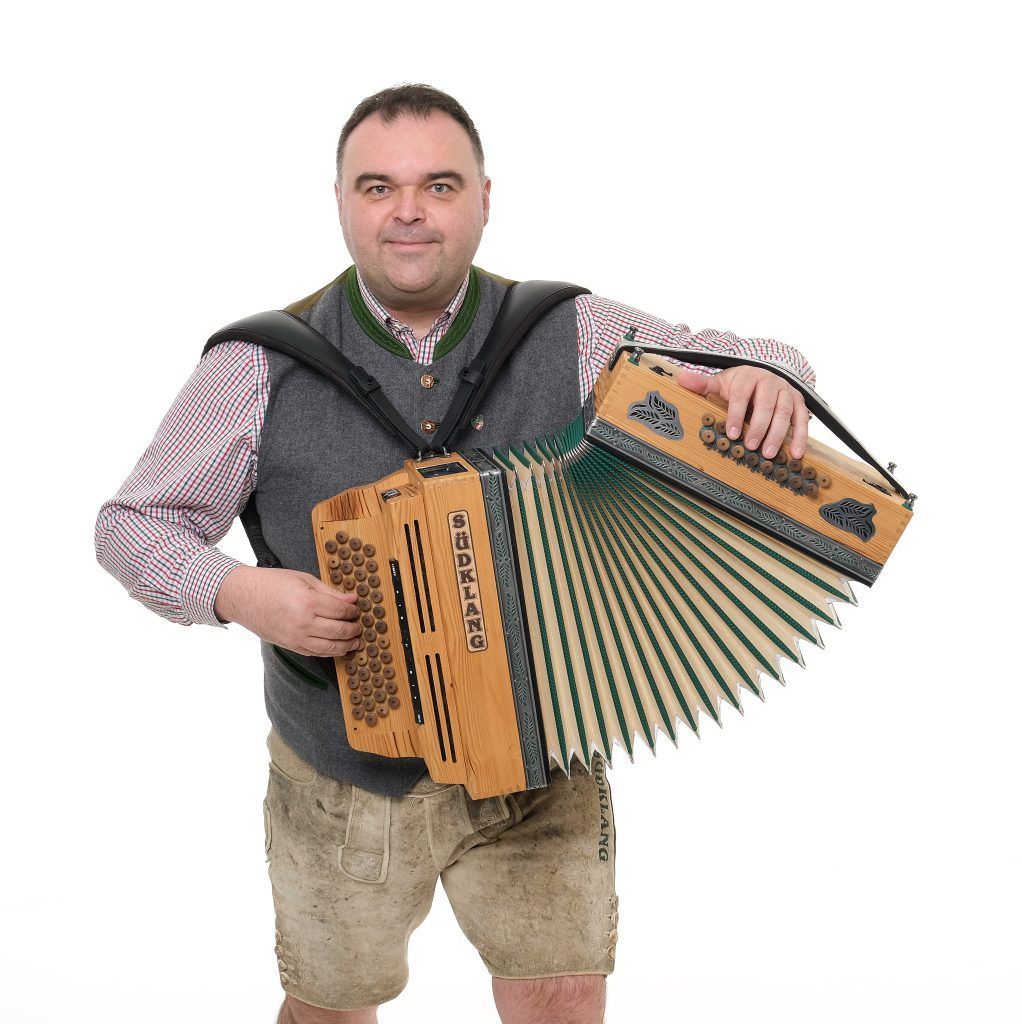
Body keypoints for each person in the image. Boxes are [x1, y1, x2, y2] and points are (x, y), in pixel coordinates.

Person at [95, 83, 816, 1024]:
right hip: (341, 773)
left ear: (484, 197)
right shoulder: (258, 363)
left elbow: (731, 360)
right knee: (331, 1007)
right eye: (377, 187)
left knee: (561, 998)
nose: (407, 212)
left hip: (540, 763)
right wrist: (236, 589)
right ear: (343, 201)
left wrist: (772, 372)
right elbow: (132, 523)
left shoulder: (575, 329)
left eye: (439, 185)